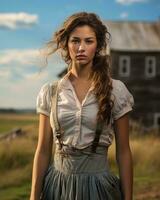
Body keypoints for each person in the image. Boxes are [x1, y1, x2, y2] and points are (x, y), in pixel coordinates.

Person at [30, 12, 134, 200]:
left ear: (98, 46)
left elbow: (124, 152)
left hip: (99, 187)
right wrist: (33, 197)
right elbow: (43, 150)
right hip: (57, 187)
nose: (81, 48)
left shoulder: (116, 91)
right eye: (75, 41)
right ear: (66, 44)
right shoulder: (50, 92)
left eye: (88, 41)